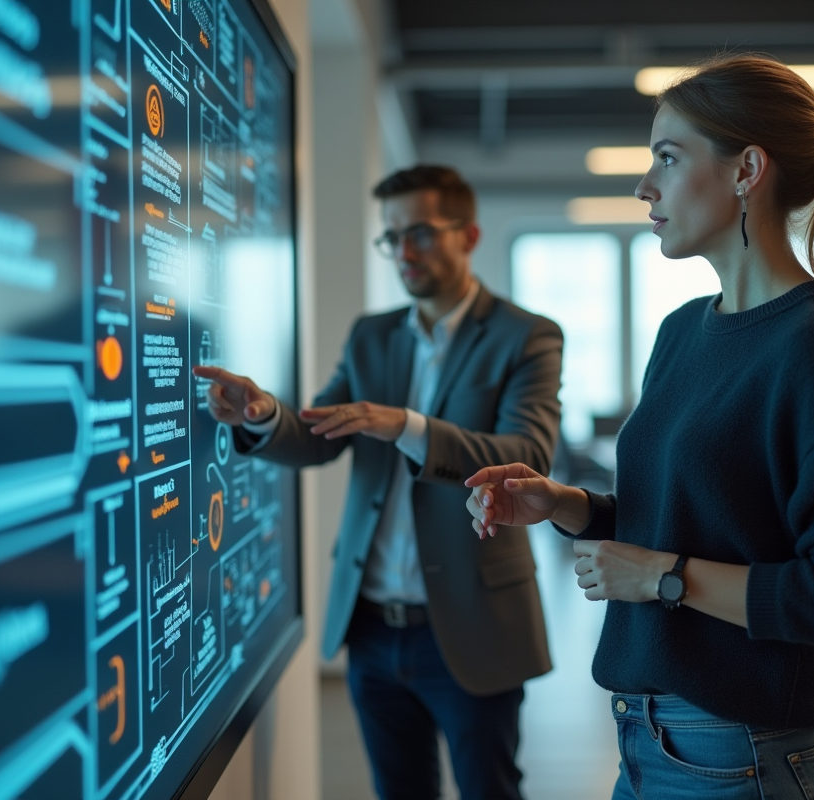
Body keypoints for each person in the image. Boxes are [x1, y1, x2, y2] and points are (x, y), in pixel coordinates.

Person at [464, 55, 814, 800]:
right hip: (648, 743)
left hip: (740, 758)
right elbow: (698, 521)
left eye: (667, 159)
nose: (645, 186)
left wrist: (664, 579)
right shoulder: (682, 331)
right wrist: (567, 505)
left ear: (747, 170)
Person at [193, 165, 562, 800]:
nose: (404, 252)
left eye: (419, 232)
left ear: (468, 235)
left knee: (490, 790)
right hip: (370, 627)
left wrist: (409, 427)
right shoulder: (372, 336)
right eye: (391, 238)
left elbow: (527, 455)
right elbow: (319, 433)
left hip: (473, 621)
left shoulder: (525, 335)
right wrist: (264, 415)